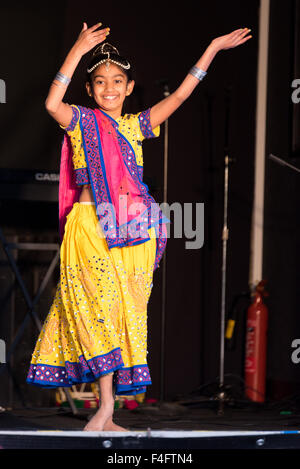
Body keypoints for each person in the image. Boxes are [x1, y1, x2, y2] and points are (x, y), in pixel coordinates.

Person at [26, 22, 252, 432]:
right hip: (89, 229)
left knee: (119, 314)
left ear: (129, 87)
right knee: (92, 310)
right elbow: (50, 102)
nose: (109, 88)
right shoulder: (79, 120)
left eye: (117, 81)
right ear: (90, 89)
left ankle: (106, 410)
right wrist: (77, 49)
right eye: (99, 82)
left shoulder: (137, 126)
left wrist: (214, 47)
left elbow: (183, 93)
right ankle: (104, 409)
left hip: (133, 231)